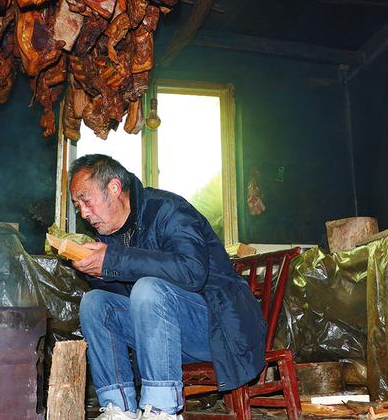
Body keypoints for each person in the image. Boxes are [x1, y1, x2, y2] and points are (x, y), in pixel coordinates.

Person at [68, 154, 266, 420]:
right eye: (77, 205)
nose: (83, 212)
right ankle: (118, 409)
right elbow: (126, 300)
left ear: (114, 187)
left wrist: (115, 260)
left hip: (219, 327)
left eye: (86, 200)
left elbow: (192, 272)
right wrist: (98, 273)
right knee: (95, 303)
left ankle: (160, 410)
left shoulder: (168, 210)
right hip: (164, 336)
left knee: (149, 289)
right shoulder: (109, 236)